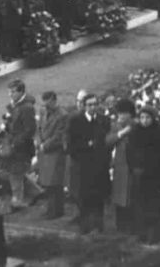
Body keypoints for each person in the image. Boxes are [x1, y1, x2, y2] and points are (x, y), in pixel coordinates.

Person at [67, 92, 111, 234]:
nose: (93, 107)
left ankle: (99, 225)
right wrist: (87, 145)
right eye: (90, 105)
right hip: (83, 165)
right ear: (84, 106)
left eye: (95, 104)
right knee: (84, 197)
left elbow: (107, 142)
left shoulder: (104, 120)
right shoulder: (76, 121)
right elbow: (71, 145)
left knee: (98, 197)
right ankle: (85, 226)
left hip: (99, 166)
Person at [127, 103, 160, 244]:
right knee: (140, 206)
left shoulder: (158, 133)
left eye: (147, 118)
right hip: (139, 174)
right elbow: (129, 152)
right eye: (142, 117)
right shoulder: (135, 132)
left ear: (153, 119)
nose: (144, 120)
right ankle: (142, 233)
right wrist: (134, 168)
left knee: (153, 206)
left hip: (154, 176)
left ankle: (155, 234)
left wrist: (149, 167)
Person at [0, 79, 38, 211]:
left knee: (16, 172)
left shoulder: (27, 108)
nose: (10, 94)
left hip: (21, 147)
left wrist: (15, 143)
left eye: (13, 92)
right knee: (16, 172)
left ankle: (18, 200)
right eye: (9, 92)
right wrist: (6, 123)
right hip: (15, 145)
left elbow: (30, 130)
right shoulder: (15, 105)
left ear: (21, 92)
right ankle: (34, 193)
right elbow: (14, 123)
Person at [35, 91, 69, 220]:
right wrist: (39, 142)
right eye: (44, 104)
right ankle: (50, 209)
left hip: (55, 152)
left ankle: (56, 210)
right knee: (46, 182)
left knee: (54, 182)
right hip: (44, 152)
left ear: (54, 100)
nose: (45, 106)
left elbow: (59, 135)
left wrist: (45, 145)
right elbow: (38, 129)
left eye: (48, 103)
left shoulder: (63, 115)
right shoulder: (43, 111)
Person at [106, 98, 136, 234]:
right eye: (119, 113)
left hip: (131, 167)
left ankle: (131, 226)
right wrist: (122, 133)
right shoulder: (117, 126)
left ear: (130, 114)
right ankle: (120, 226)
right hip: (119, 166)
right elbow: (108, 141)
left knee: (130, 197)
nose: (121, 116)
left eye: (124, 113)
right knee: (119, 196)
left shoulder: (136, 126)